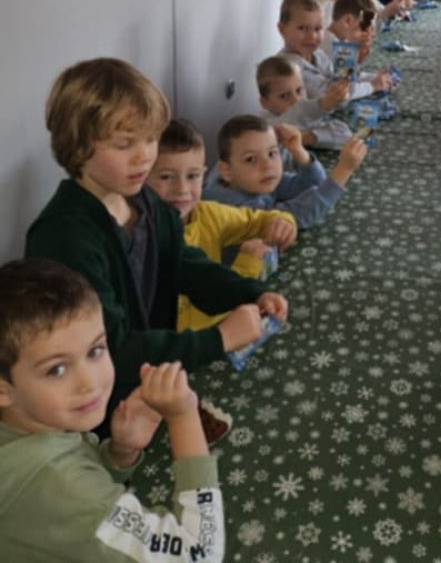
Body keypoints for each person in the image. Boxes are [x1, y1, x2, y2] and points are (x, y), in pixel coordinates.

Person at [25, 58, 288, 415]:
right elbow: (109, 349)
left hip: (153, 386)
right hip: (100, 412)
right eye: (124, 144)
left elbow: (183, 263)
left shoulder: (144, 201)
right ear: (78, 146)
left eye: (151, 139)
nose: (144, 157)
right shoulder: (65, 239)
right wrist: (219, 339)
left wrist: (249, 292)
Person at [0, 258, 227, 563]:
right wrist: (183, 417)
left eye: (95, 351)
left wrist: (119, 453)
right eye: (56, 370)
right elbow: (199, 555)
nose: (89, 383)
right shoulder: (61, 488)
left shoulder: (29, 428)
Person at [147, 118, 298, 330]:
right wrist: (248, 265)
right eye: (166, 177)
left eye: (193, 175)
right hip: (186, 344)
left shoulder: (210, 214)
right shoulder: (139, 235)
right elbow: (193, 321)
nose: (182, 189)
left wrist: (282, 221)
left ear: (204, 173)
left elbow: (258, 220)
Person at [203, 115, 367, 226]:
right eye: (251, 159)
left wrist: (298, 150)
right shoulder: (233, 208)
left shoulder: (255, 180)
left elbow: (311, 185)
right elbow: (298, 216)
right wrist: (344, 169)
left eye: (272, 153)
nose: (267, 165)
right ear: (227, 171)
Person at [278, 0, 393, 101]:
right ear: (282, 29)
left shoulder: (317, 54)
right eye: (302, 28)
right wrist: (372, 86)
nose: (312, 36)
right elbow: (335, 93)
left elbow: (339, 77)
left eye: (317, 29)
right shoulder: (288, 67)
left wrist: (372, 77)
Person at [257, 55, 352, 150]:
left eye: (299, 90)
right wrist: (324, 103)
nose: (296, 100)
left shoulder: (306, 115)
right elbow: (298, 112)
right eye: (284, 96)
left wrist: (305, 138)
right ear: (265, 103)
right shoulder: (267, 126)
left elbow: (345, 136)